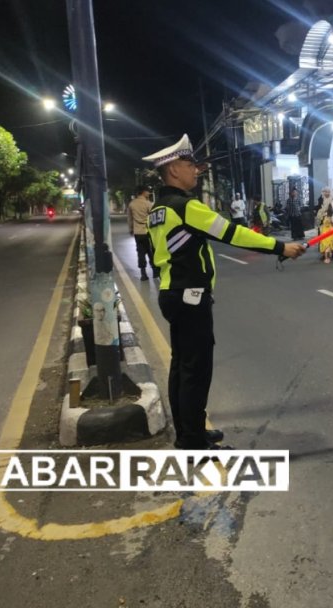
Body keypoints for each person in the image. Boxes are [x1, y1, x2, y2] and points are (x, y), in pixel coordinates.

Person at [142, 134, 306, 449]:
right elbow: (233, 233)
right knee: (196, 370)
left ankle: (190, 431)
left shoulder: (158, 209)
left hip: (171, 293)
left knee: (182, 367)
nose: (196, 171)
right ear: (174, 169)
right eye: (190, 165)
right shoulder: (186, 207)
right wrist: (280, 247)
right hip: (190, 296)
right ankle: (192, 441)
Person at [127, 186, 158, 281]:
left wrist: (131, 229)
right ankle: (155, 272)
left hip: (138, 233)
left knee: (140, 252)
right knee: (151, 251)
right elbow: (153, 218)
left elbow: (130, 219)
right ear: (143, 192)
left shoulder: (132, 204)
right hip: (147, 232)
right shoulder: (148, 204)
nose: (149, 193)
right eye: (147, 192)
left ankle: (143, 274)